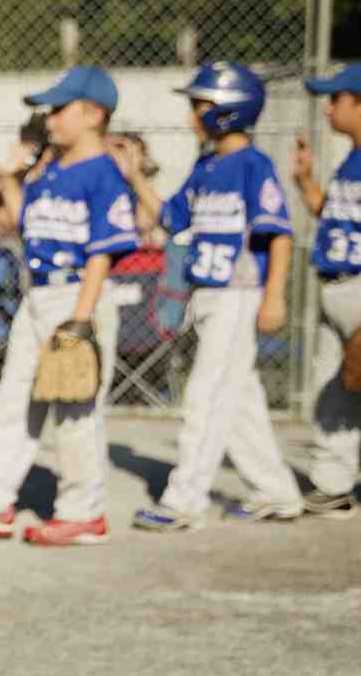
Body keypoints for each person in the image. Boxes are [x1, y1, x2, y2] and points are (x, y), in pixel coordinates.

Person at [0, 67, 137, 545]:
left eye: (59, 109)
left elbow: (103, 250)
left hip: (78, 295)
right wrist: (10, 179)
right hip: (38, 293)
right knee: (13, 399)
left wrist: (83, 315)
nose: (49, 118)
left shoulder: (102, 173)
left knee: (75, 410)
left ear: (93, 115)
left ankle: (83, 511)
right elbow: (18, 226)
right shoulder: (50, 170)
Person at [118, 61, 303, 529]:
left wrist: (274, 295)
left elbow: (278, 233)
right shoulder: (206, 166)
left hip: (238, 294)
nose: (190, 117)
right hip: (208, 295)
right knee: (238, 400)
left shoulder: (253, 166)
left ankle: (184, 501)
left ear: (226, 112)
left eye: (198, 107)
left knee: (205, 395)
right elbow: (173, 219)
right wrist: (136, 177)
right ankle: (277, 492)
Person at [290, 63, 361, 519]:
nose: (328, 107)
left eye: (336, 99)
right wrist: (304, 180)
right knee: (331, 389)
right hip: (334, 284)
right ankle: (333, 483)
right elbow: (333, 215)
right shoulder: (350, 159)